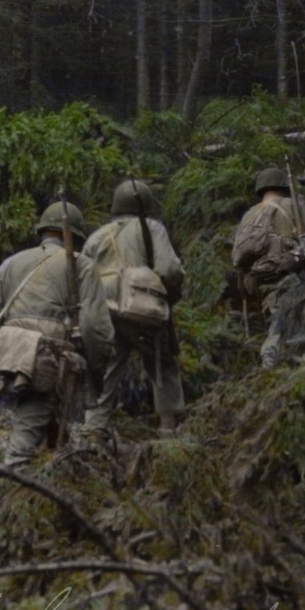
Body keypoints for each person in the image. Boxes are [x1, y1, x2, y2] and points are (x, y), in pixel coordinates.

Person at [0, 201, 112, 466]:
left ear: (43, 231)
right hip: (46, 356)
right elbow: (96, 328)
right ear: (76, 236)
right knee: (30, 424)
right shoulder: (81, 264)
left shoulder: (11, 262)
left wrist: (13, 339)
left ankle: (37, 472)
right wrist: (97, 370)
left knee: (37, 419)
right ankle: (14, 476)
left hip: (5, 354)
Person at [81, 179, 187, 436]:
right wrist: (168, 291)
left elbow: (82, 276)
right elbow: (169, 269)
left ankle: (93, 430)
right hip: (142, 309)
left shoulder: (96, 237)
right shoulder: (152, 227)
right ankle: (168, 428)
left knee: (106, 369)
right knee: (161, 365)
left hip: (105, 310)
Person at [231, 166, 305, 369]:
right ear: (284, 186)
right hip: (287, 273)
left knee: (278, 314)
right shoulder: (293, 206)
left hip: (256, 280)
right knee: (287, 316)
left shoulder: (249, 215)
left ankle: (286, 361)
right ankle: (272, 357)